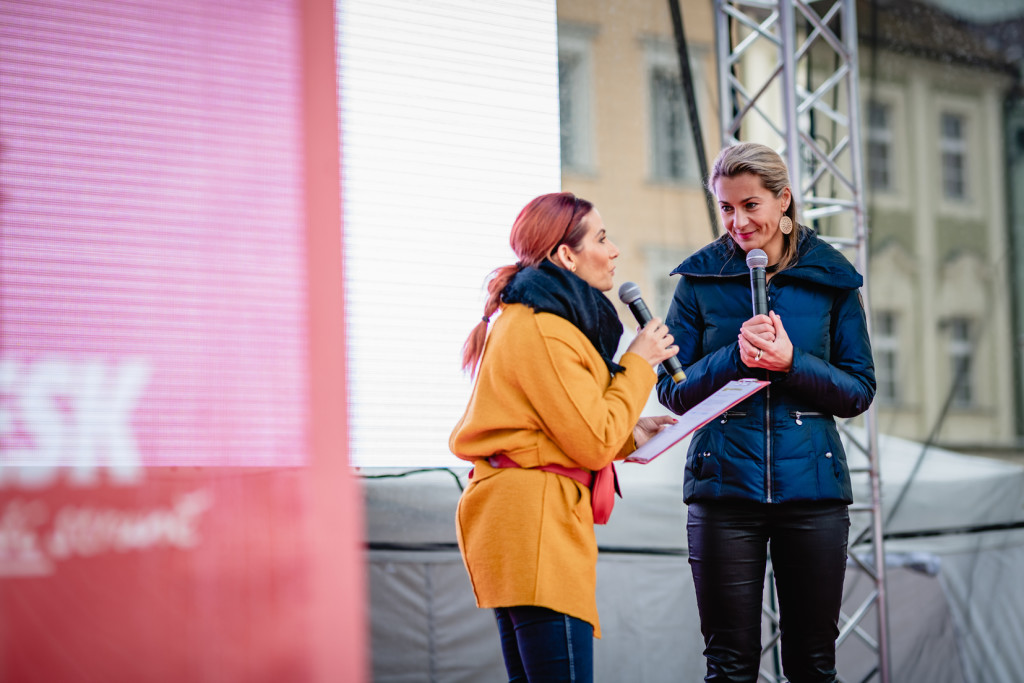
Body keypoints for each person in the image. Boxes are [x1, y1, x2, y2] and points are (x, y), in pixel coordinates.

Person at [656, 142, 876, 682]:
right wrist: (735, 357)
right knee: (729, 666)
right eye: (726, 208)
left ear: (784, 202)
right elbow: (672, 390)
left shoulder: (833, 279)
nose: (737, 221)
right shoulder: (698, 282)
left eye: (750, 205)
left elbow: (858, 391)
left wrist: (791, 363)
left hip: (814, 493)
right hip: (723, 490)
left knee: (812, 664)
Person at [450, 192, 679, 682]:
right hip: (533, 525)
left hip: (522, 520)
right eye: (600, 237)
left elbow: (564, 422)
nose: (614, 250)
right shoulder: (543, 327)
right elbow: (591, 441)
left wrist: (632, 433)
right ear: (565, 255)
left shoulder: (536, 319)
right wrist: (639, 361)